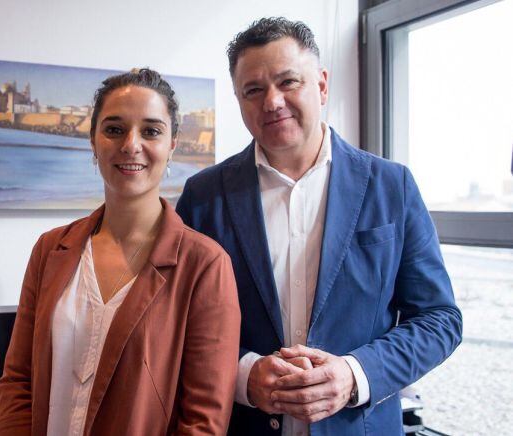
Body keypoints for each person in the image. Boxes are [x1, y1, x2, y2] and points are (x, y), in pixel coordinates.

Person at [176, 17, 462, 435]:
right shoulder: (203, 197)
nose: (272, 101)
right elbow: (176, 321)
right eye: (253, 90)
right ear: (238, 100)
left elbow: (439, 319)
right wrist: (242, 375)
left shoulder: (392, 186)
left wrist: (354, 373)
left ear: (322, 85)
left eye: (288, 82)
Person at [0, 68, 241, 436]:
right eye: (114, 129)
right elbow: (18, 380)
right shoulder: (51, 250)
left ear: (172, 145)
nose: (130, 144)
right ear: (93, 141)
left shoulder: (205, 265)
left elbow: (203, 421)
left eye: (151, 131)